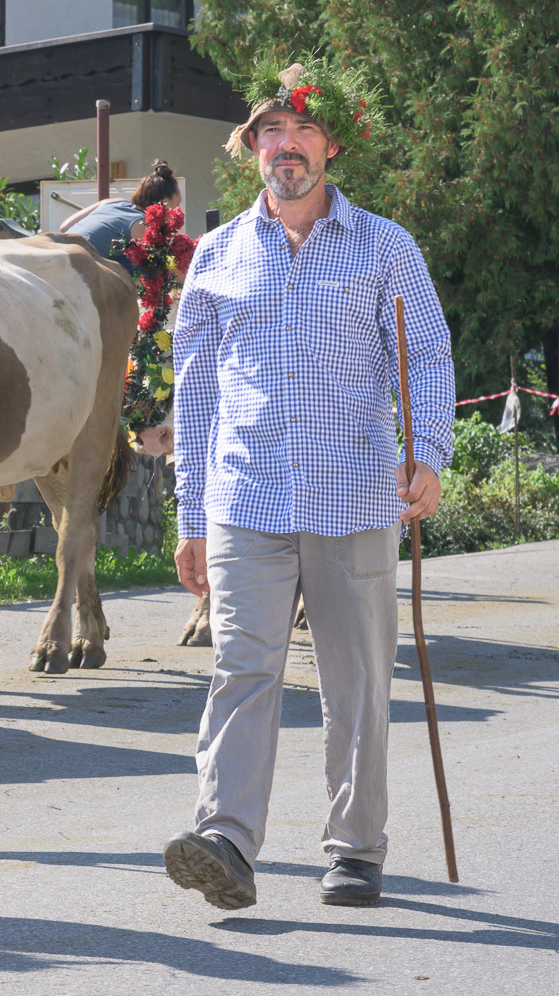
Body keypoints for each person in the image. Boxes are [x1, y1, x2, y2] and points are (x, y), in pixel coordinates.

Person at [160, 63, 452, 912]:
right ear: (252, 149)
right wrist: (190, 518)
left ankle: (356, 847)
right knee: (239, 664)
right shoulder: (215, 257)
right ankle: (226, 841)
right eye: (269, 133)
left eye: (301, 132)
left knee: (354, 680)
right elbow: (198, 392)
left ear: (331, 145)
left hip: (356, 497)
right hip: (246, 500)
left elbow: (427, 354)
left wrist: (426, 450)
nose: (285, 147)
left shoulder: (384, 246)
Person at [57, 158, 183, 266]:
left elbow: (64, 227)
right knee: (147, 266)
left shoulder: (113, 202)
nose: (178, 212)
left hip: (59, 249)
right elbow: (165, 267)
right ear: (164, 203)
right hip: (78, 263)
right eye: (176, 206)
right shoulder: (142, 225)